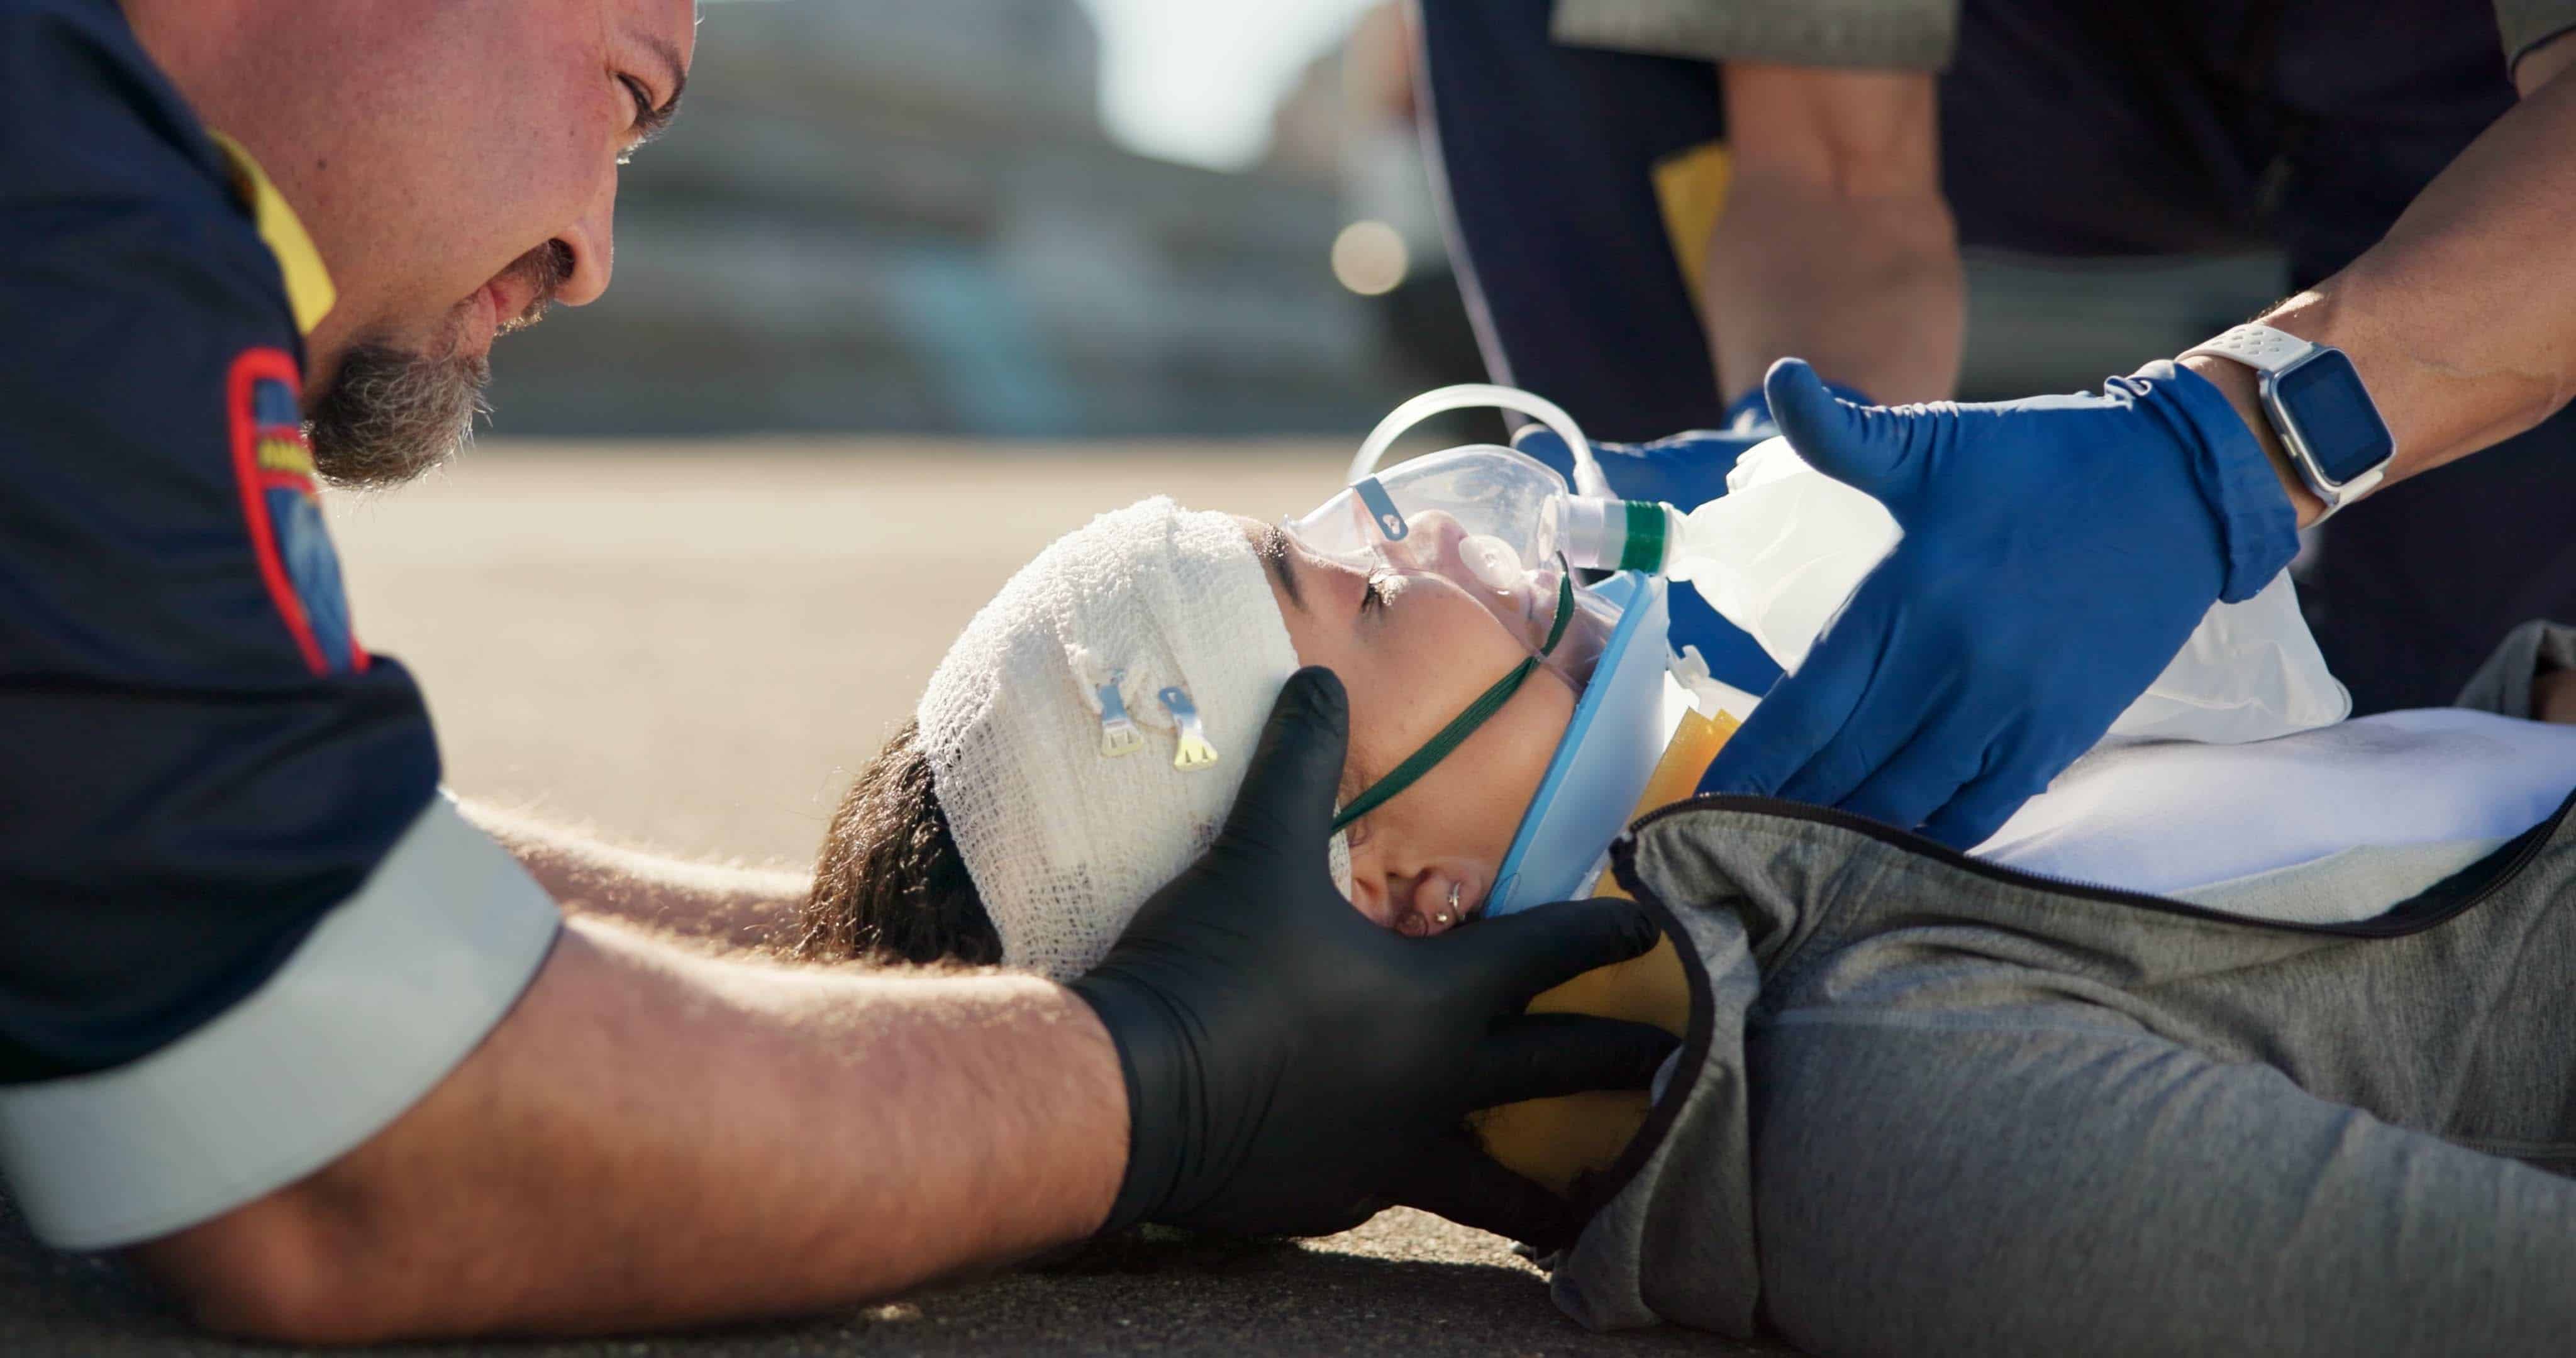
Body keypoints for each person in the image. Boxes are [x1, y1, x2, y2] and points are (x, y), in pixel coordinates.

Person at [0, 0, 1677, 1340]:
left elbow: (260, 862)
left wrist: (903, 951)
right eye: (617, 91)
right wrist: (1164, 1083)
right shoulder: (77, 224)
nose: (593, 249)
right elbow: (342, 1150)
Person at [802, 494, 2576, 1354]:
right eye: (1363, 585)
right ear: (1383, 888)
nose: (1429, 526)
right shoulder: (1884, 1100)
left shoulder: (1796, 860)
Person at [1414, 0, 2576, 848]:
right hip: (2093, 72)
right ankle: (1681, 773)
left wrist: (2222, 452)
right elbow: (1833, 166)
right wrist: (1815, 465)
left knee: (2457, 769)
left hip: (2491, 108)